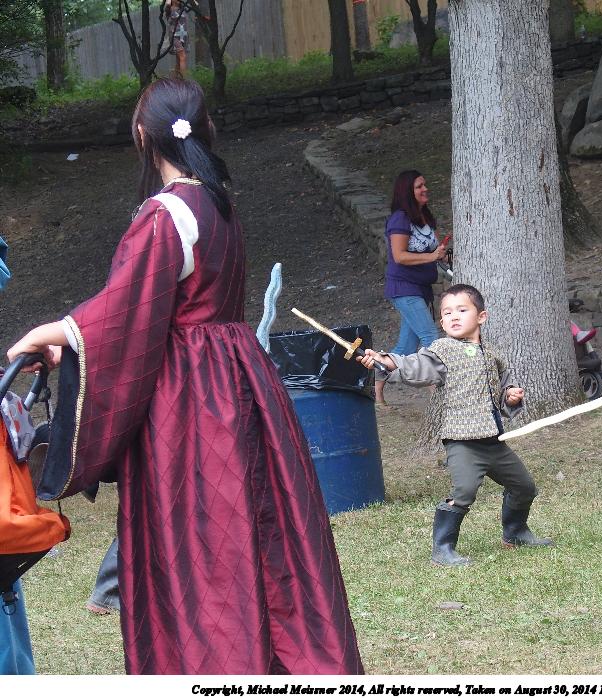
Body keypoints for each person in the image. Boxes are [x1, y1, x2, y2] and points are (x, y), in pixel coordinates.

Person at [7, 78, 363, 675]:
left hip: (190, 400)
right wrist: (73, 345)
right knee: (256, 527)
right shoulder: (219, 205)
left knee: (203, 539)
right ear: (206, 130)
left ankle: (215, 666)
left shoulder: (165, 214)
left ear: (142, 135)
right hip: (241, 382)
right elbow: (159, 315)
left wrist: (54, 332)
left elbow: (127, 311)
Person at [358, 284, 553, 566]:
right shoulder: (443, 351)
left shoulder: (492, 354)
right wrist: (385, 361)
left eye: (462, 310)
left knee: (524, 486)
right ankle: (443, 549)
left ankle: (515, 532)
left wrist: (511, 396)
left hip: (493, 442)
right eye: (447, 313)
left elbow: (500, 389)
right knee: (464, 492)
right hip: (462, 442)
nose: (454, 316)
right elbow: (415, 365)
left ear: (481, 316)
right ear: (441, 321)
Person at [376, 170, 448, 406]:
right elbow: (399, 256)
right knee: (431, 337)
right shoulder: (399, 219)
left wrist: (441, 254)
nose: (425, 189)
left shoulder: (425, 216)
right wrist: (431, 256)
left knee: (405, 347)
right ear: (407, 191)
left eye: (424, 184)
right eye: (419, 186)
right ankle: (438, 393)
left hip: (421, 288)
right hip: (404, 288)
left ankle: (376, 383)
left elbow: (433, 250)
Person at [164, 0, 189, 77]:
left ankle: (175, 80)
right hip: (174, 37)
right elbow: (167, 5)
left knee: (178, 60)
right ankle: (184, 81)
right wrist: (168, 2)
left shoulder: (183, 8)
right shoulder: (169, 10)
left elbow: (195, 4)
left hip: (183, 36)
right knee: (183, 56)